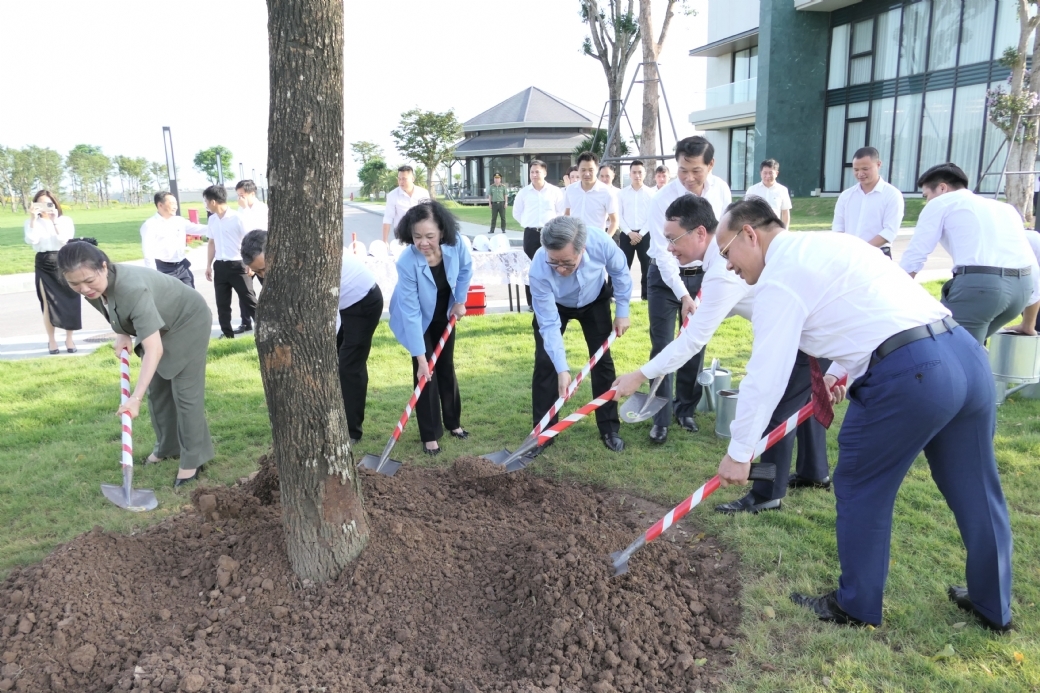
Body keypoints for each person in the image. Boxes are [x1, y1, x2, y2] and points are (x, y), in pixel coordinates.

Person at [714, 197, 1012, 632]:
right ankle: (993, 603)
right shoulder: (830, 243)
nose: (727, 266)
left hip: (912, 375)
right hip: (963, 352)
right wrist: (841, 371)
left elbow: (766, 374)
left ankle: (856, 605)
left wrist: (741, 451)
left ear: (749, 235)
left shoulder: (778, 279)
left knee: (860, 485)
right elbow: (865, 307)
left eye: (726, 254)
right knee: (978, 487)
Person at [612, 194, 830, 511]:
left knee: (777, 407)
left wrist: (640, 375)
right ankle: (814, 472)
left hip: (807, 331)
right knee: (804, 398)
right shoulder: (720, 262)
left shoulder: (722, 270)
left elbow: (692, 342)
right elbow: (738, 299)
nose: (670, 249)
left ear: (700, 233)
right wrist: (705, 313)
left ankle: (767, 495)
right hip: (805, 328)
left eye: (673, 240)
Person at [60, 239, 214, 487]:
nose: (83, 288)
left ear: (103, 266)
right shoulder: (91, 287)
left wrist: (135, 397)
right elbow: (110, 307)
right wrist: (121, 332)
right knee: (159, 389)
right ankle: (168, 447)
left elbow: (154, 349)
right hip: (158, 322)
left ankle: (193, 459)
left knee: (185, 393)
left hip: (187, 320)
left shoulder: (132, 287)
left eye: (89, 281)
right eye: (74, 284)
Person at [241, 230, 383, 444]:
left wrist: (321, 346)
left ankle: (352, 432)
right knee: (329, 364)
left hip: (362, 301)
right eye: (256, 272)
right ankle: (330, 417)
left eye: (263, 269)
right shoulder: (276, 268)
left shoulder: (308, 264)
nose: (262, 276)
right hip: (338, 305)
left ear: (275, 253)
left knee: (348, 366)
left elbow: (326, 314)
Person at [645, 136, 733, 435]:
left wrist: (701, 288)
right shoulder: (661, 200)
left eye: (696, 170)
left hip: (705, 274)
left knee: (696, 340)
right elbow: (664, 251)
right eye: (682, 169)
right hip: (666, 277)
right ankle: (660, 417)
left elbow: (722, 240)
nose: (688, 177)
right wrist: (683, 294)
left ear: (710, 165)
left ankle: (686, 409)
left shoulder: (721, 190)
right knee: (663, 345)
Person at [899, 163, 1038, 346]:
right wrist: (1029, 323)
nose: (927, 201)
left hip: (982, 287)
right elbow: (1030, 262)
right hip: (1022, 289)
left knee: (950, 351)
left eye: (927, 195)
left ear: (942, 187)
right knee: (972, 350)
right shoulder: (1005, 209)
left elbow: (916, 254)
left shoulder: (941, 203)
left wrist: (895, 291)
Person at [529, 215, 631, 454]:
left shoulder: (601, 242)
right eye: (554, 262)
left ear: (582, 250)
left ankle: (609, 428)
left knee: (602, 363)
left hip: (594, 300)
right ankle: (543, 433)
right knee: (546, 363)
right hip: (556, 305)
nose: (560, 269)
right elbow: (548, 324)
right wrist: (562, 370)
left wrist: (622, 311)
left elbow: (621, 272)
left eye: (567, 262)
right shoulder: (538, 267)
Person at [389, 201, 473, 455]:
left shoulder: (456, 244)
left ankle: (453, 423)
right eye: (417, 237)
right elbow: (411, 311)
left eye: (430, 236)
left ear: (442, 232)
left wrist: (460, 300)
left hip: (445, 312)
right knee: (425, 373)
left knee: (446, 366)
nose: (423, 242)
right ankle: (430, 435)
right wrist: (420, 356)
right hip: (417, 318)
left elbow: (465, 271)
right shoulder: (407, 262)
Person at [24, 190, 81, 354]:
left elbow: (65, 240)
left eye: (48, 203)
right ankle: (52, 340)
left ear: (55, 204)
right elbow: (32, 240)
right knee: (48, 303)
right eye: (40, 203)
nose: (45, 207)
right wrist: (33, 220)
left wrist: (55, 222)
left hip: (64, 260)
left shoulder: (65, 220)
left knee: (70, 300)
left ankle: (69, 338)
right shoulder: (31, 222)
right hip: (44, 262)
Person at [203, 185, 257, 337]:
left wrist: (250, 263)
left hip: (238, 265)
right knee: (222, 304)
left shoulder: (237, 218)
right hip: (220, 266)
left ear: (213, 202)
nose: (205, 205)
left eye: (206, 201)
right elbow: (212, 243)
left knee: (250, 300)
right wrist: (208, 265)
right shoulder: (212, 220)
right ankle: (227, 334)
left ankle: (262, 330)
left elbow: (249, 241)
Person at [832, 146, 904, 257]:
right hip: (848, 255)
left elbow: (889, 231)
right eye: (856, 170)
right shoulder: (846, 196)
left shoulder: (892, 195)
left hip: (878, 255)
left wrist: (862, 250)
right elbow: (838, 227)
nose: (860, 174)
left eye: (865, 169)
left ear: (878, 164)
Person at [513, 159, 565, 308]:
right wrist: (527, 222)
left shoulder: (555, 191)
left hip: (550, 233)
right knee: (531, 268)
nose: (534, 175)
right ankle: (532, 303)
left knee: (554, 266)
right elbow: (517, 212)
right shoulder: (524, 193)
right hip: (531, 234)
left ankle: (555, 300)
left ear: (545, 173)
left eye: (537, 172)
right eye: (532, 172)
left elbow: (561, 212)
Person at [140, 191, 209, 287]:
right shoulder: (150, 225)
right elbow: (148, 253)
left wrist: (217, 226)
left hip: (182, 267)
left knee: (191, 298)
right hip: (163, 269)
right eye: (172, 203)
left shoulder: (179, 221)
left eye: (176, 203)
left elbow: (196, 229)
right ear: (160, 205)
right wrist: (154, 275)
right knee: (169, 300)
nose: (175, 207)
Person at [617, 159, 655, 300]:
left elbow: (652, 216)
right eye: (634, 172)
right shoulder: (621, 193)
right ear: (630, 174)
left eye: (640, 172)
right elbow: (618, 215)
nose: (637, 175)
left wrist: (640, 234)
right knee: (623, 266)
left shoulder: (651, 194)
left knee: (647, 266)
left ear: (644, 174)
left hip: (645, 234)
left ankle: (646, 295)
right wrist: (629, 233)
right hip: (626, 234)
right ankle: (622, 294)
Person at [564, 152, 618, 237]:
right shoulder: (570, 190)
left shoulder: (606, 192)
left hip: (596, 240)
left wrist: (605, 240)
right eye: (583, 170)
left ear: (597, 169)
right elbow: (567, 214)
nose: (587, 173)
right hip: (574, 240)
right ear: (578, 169)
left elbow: (614, 221)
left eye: (590, 170)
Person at [382, 166, 431, 243]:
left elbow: (429, 215)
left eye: (404, 179)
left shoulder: (423, 193)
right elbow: (388, 218)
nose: (401, 182)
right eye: (399, 179)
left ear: (412, 179)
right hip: (402, 234)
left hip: (421, 233)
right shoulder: (392, 195)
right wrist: (385, 241)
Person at [744, 159, 792, 228]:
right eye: (765, 173)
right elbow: (746, 211)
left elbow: (785, 213)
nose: (768, 176)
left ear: (776, 173)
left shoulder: (782, 190)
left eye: (770, 173)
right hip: (756, 228)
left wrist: (785, 230)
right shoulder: (752, 190)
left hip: (775, 228)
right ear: (761, 173)